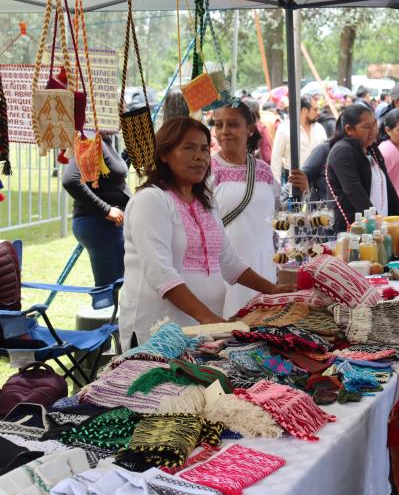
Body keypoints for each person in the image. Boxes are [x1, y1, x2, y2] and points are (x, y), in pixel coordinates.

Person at [120, 117, 293, 351]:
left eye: (203, 149)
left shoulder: (206, 202)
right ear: (164, 154)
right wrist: (208, 318)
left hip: (201, 330)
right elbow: (160, 273)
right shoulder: (151, 200)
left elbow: (229, 261)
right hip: (157, 329)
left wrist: (272, 290)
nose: (200, 156)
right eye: (189, 148)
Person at [210, 99, 305, 317]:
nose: (224, 131)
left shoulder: (262, 171)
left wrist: (302, 190)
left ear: (250, 129)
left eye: (233, 124)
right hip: (223, 272)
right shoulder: (206, 171)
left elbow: (280, 216)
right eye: (219, 124)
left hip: (264, 266)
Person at [326, 104, 399, 232]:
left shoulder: (372, 150)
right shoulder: (342, 152)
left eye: (374, 124)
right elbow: (356, 195)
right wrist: (378, 228)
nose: (373, 130)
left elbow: (389, 191)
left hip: (377, 229)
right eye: (366, 127)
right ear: (349, 129)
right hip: (353, 233)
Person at [62, 136, 129, 287]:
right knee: (110, 289)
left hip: (106, 225)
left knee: (116, 285)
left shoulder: (105, 140)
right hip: (101, 225)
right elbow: (70, 180)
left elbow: (111, 176)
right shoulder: (90, 138)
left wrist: (130, 150)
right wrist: (106, 210)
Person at [271, 94, 327, 183]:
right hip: (293, 184)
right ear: (304, 110)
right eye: (315, 109)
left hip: (318, 183)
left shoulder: (319, 128)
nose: (318, 112)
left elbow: (326, 156)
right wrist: (276, 187)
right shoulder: (285, 129)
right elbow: (276, 160)